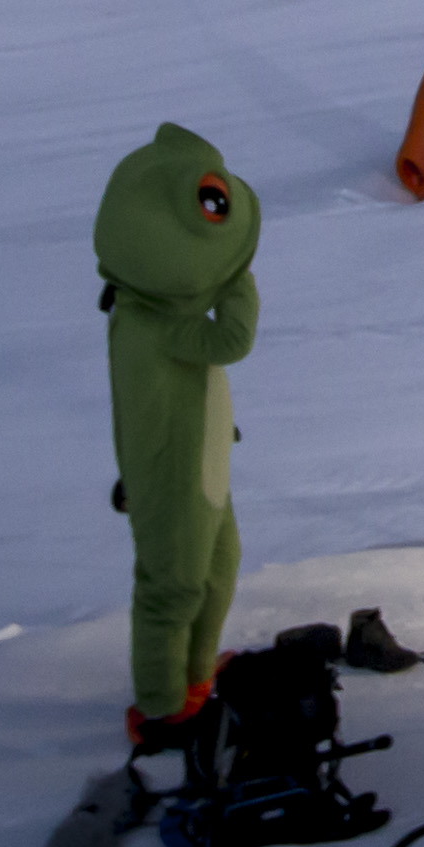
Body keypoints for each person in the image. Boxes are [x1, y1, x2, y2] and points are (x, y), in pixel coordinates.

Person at [96, 120, 262, 770]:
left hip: (205, 466)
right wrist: (236, 274)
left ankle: (195, 675)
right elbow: (231, 340)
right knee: (174, 586)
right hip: (175, 476)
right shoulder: (151, 321)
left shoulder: (162, 312)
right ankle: (162, 708)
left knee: (218, 570)